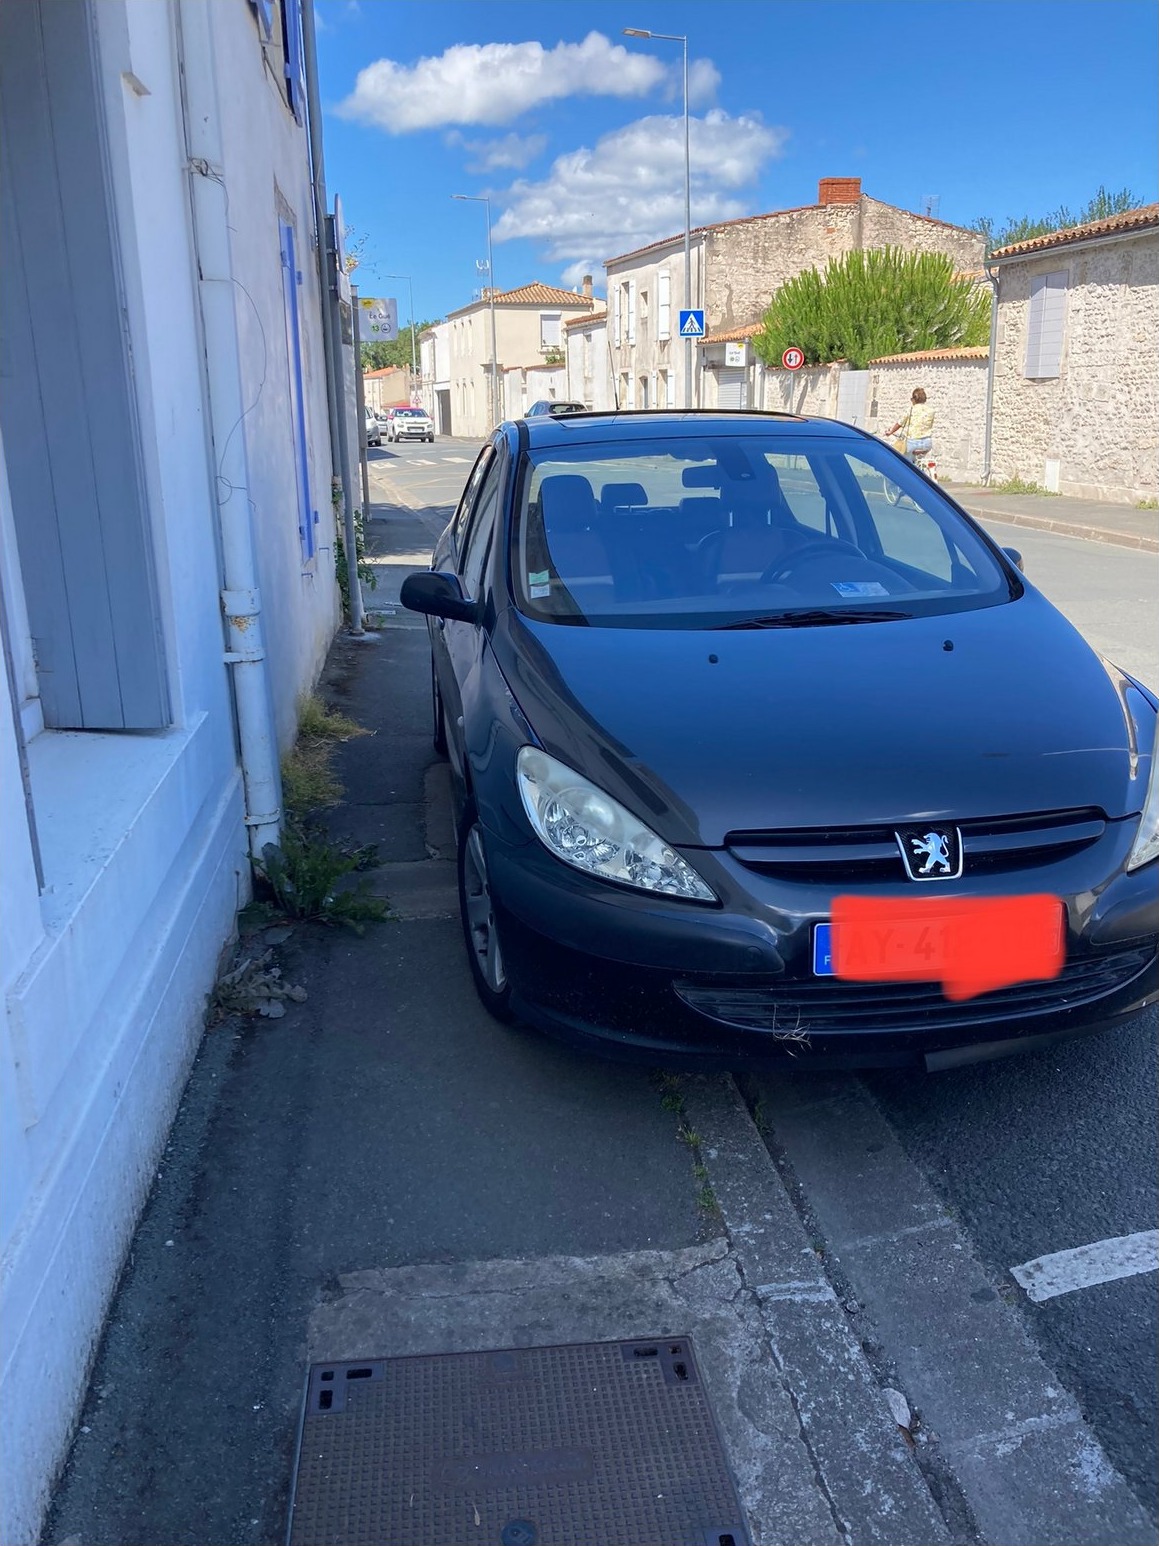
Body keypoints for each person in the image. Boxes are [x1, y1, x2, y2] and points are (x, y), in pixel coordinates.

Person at [887, 388, 935, 459]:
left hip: (913, 442)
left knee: (905, 463)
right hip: (927, 443)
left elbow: (900, 423)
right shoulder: (931, 411)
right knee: (921, 462)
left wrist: (890, 432)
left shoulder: (910, 410)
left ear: (914, 399)